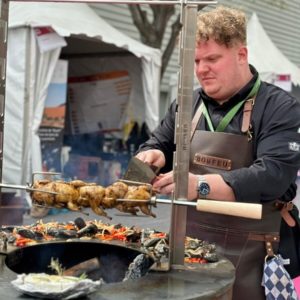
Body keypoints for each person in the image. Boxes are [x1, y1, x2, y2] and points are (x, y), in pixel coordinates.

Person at [136, 5, 300, 300]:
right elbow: (158, 142)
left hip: (257, 248)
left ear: (241, 55)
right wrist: (151, 157)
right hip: (191, 245)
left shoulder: (280, 107)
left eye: (212, 59)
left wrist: (198, 185)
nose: (200, 69)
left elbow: (274, 174)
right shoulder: (187, 104)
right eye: (196, 60)